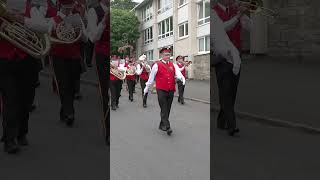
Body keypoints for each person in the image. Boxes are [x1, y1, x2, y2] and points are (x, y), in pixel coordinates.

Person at [0, 0, 56, 153]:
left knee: (26, 100)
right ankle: (9, 139)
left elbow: (45, 27)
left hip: (27, 61)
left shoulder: (31, 9)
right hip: (5, 61)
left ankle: (21, 133)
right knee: (10, 100)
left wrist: (22, 20)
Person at [212, 0, 251, 136]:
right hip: (222, 57)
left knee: (232, 91)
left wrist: (247, 14)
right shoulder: (213, 12)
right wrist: (239, 15)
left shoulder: (236, 11)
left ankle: (221, 121)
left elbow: (250, 28)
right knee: (225, 90)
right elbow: (224, 27)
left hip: (237, 56)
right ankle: (231, 125)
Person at [50, 0, 88, 127]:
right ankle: (70, 112)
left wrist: (79, 30)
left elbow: (86, 39)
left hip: (74, 57)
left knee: (71, 86)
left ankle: (64, 111)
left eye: (70, 7)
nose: (68, 9)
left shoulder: (76, 19)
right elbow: (48, 37)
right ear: (61, 6)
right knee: (63, 85)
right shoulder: (53, 20)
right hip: (58, 57)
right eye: (66, 7)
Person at [144, 48, 185, 135]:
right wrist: (147, 87)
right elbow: (151, 78)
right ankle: (167, 126)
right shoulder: (156, 65)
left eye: (169, 55)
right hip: (161, 89)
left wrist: (182, 78)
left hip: (171, 89)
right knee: (164, 107)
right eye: (166, 55)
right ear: (161, 55)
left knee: (168, 108)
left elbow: (178, 73)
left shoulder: (173, 65)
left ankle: (162, 124)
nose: (168, 56)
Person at [86, 0, 109, 144]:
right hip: (102, 57)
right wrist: (104, 21)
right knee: (106, 94)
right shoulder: (94, 11)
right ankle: (109, 132)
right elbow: (93, 37)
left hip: (113, 58)